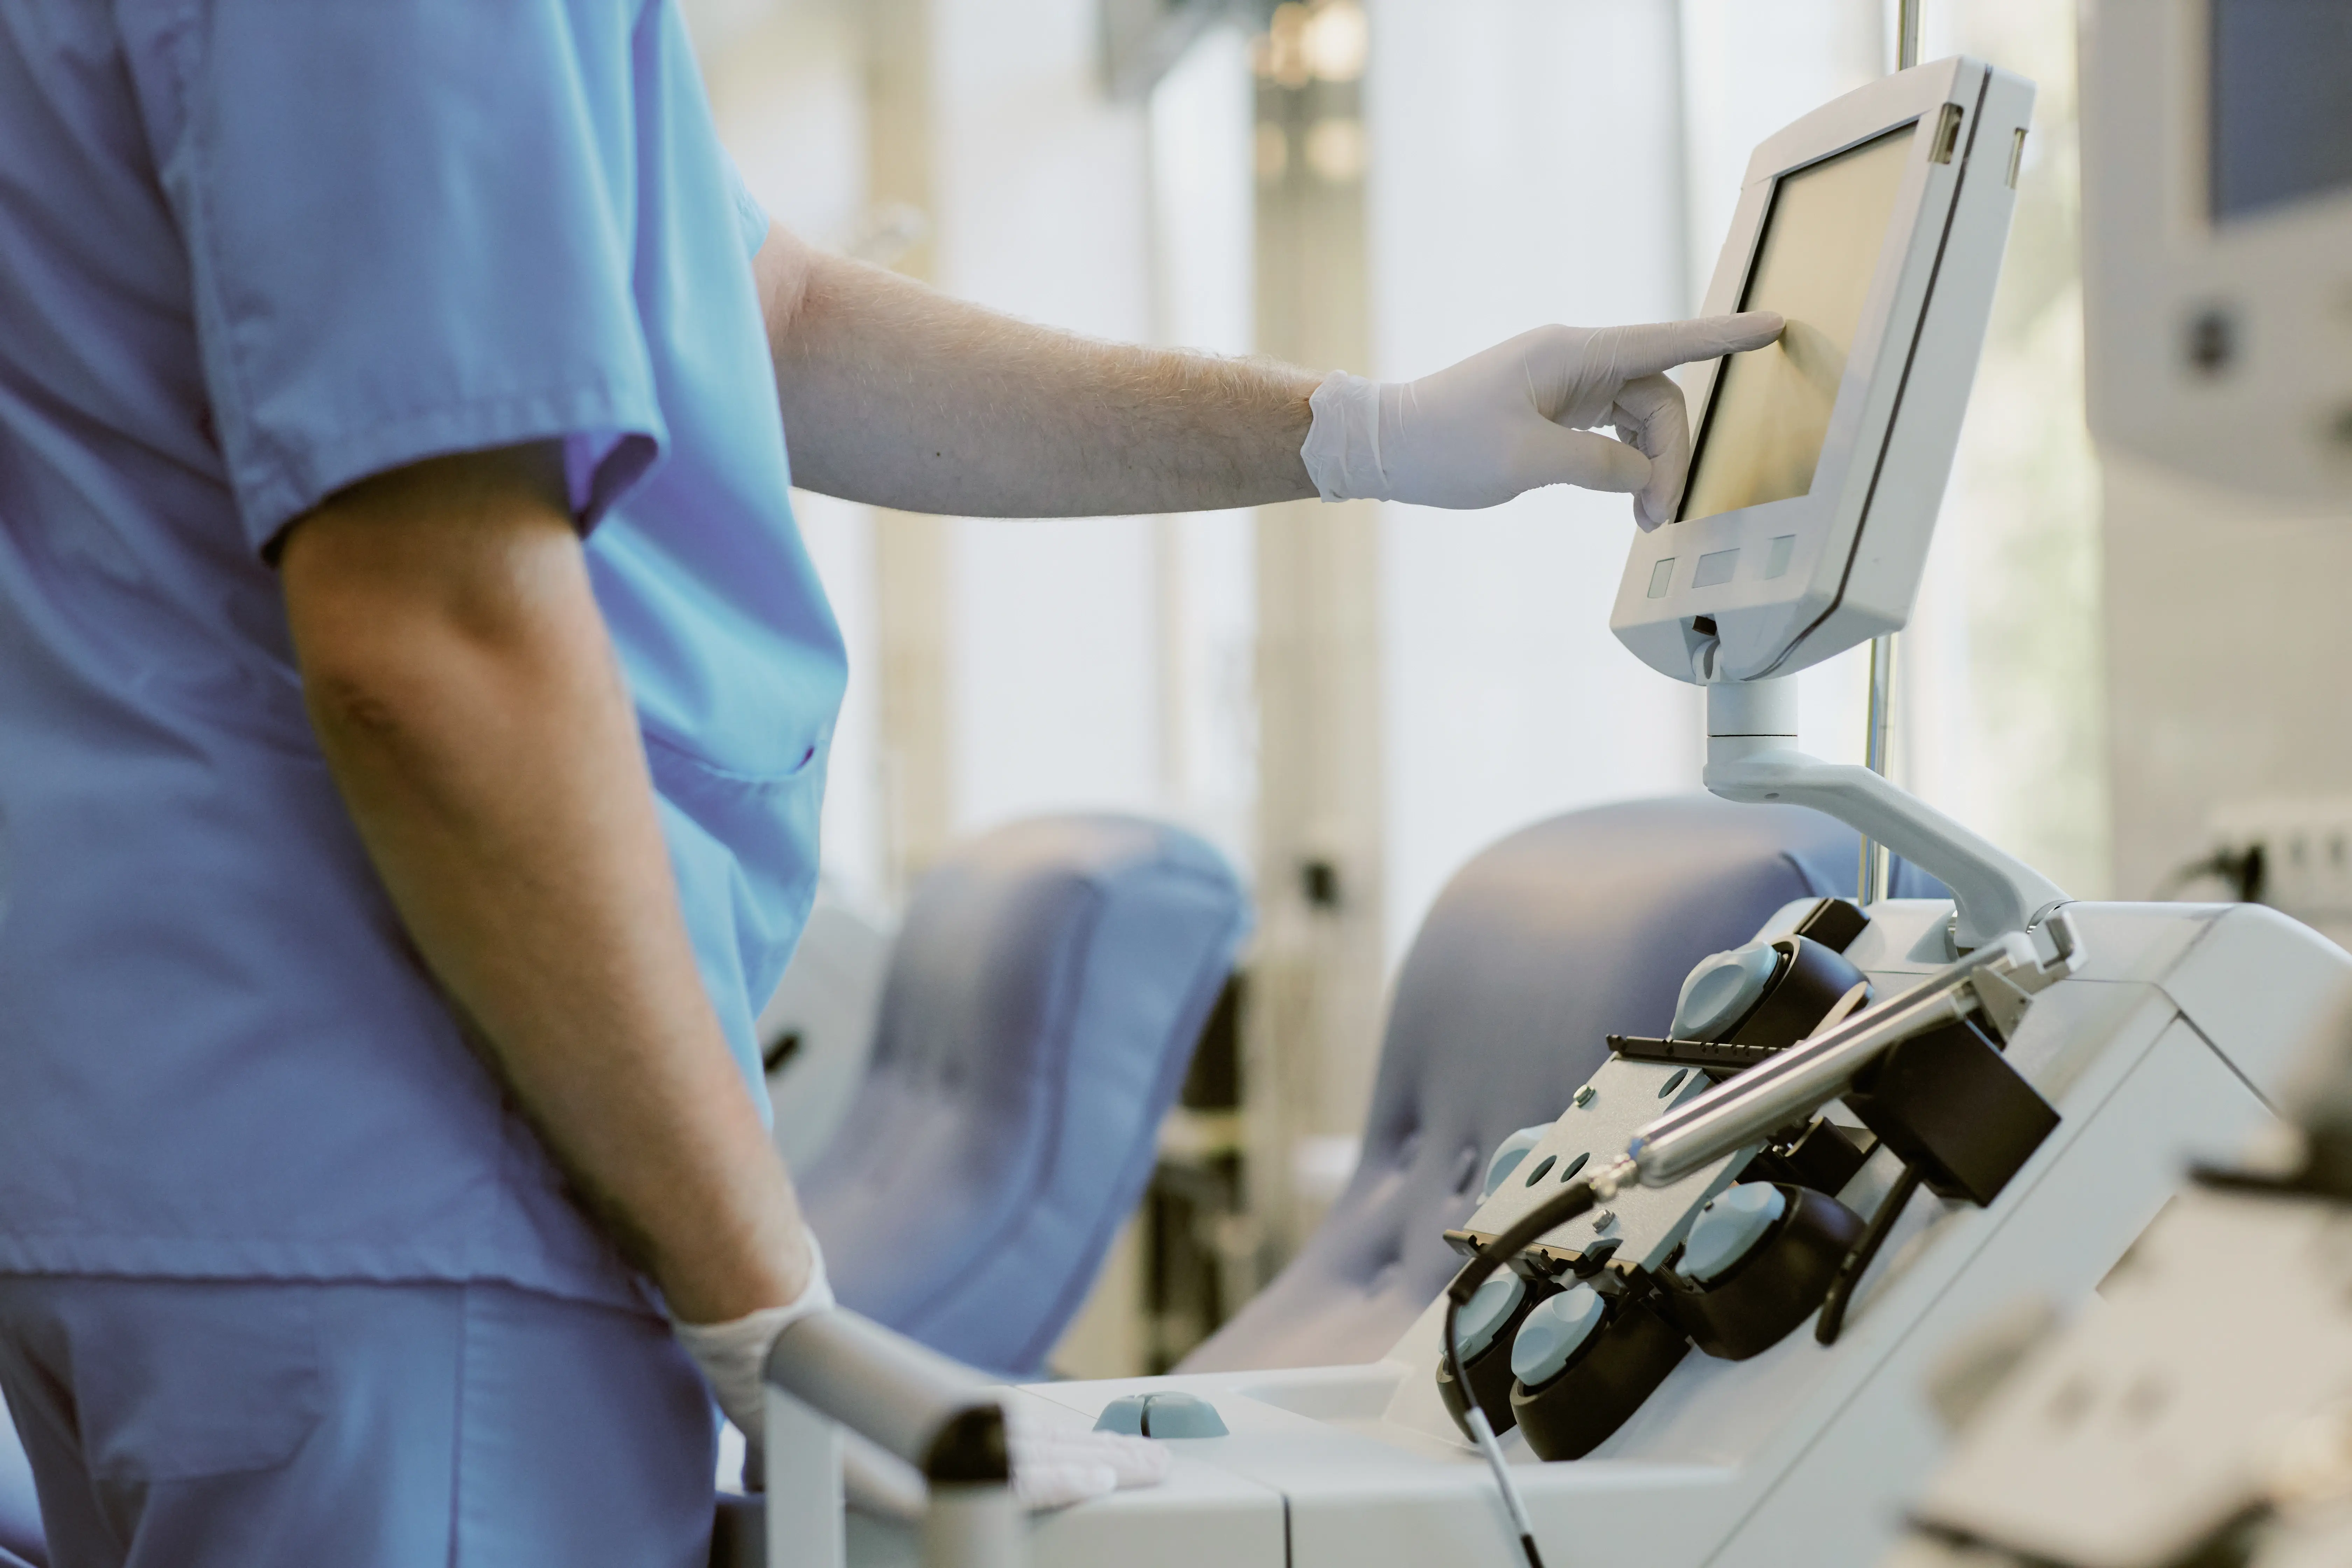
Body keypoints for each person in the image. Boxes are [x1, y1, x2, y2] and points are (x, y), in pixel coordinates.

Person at [0, 2, 1778, 1563]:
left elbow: (762, 308)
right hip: (399, 1137)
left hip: (165, 1121)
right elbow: (435, 637)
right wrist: (772, 1312)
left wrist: (1361, 429)